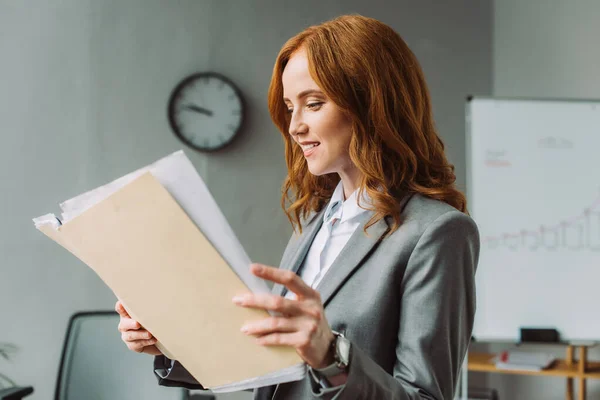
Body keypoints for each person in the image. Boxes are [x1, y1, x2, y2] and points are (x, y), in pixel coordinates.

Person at [116, 14, 479, 400]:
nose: (294, 126)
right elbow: (273, 362)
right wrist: (171, 344)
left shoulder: (437, 232)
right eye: (290, 107)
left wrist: (331, 355)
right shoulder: (314, 220)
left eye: (314, 103)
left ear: (372, 104)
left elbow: (425, 396)